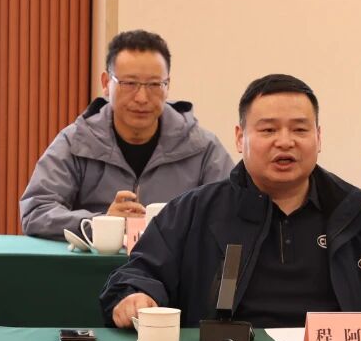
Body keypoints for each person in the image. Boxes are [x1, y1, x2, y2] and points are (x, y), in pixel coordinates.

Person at [100, 74, 361, 329]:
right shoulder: (194, 211)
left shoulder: (360, 211)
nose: (285, 142)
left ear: (319, 138)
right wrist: (135, 294)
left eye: (300, 130)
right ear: (240, 138)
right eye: (268, 130)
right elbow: (140, 273)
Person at [20, 29, 234, 238]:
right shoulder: (77, 141)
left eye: (154, 85)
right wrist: (102, 223)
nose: (142, 98)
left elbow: (234, 212)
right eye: (129, 84)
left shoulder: (201, 147)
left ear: (168, 85)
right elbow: (36, 212)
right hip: (97, 261)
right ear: (106, 84)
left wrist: (177, 230)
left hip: (175, 262)